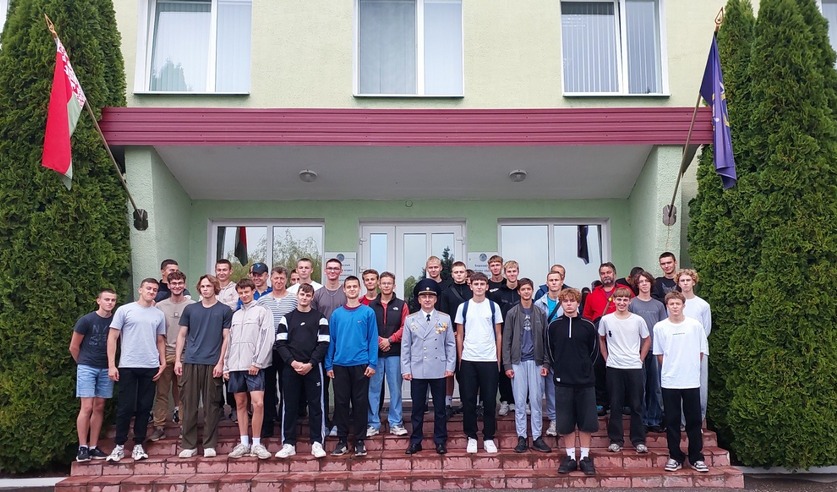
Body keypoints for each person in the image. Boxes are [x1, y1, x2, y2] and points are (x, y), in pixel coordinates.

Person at [105, 279, 167, 462]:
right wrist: (111, 365)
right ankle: (119, 446)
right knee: (125, 407)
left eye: (155, 289)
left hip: (150, 366)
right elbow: (112, 337)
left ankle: (139, 445)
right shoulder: (125, 310)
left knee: (144, 407)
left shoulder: (158, 314)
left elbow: (160, 340)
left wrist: (163, 362)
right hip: (128, 365)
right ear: (140, 290)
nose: (151, 292)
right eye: (148, 288)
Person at [175, 274, 232, 458]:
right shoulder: (190, 309)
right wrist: (178, 360)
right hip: (191, 361)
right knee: (189, 404)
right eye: (203, 286)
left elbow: (226, 338)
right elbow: (181, 335)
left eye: (209, 286)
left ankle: (209, 444)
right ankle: (189, 445)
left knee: (211, 405)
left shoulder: (224, 310)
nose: (205, 289)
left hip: (213, 363)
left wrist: (221, 362)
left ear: (215, 287)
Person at [653, 291, 709, 473]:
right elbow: (659, 354)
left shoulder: (695, 326)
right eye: (671, 304)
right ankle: (675, 456)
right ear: (667, 306)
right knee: (672, 421)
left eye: (678, 303)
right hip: (670, 381)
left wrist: (690, 368)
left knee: (694, 421)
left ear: (683, 305)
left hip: (691, 381)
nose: (675, 307)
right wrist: (671, 369)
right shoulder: (660, 327)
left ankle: (696, 457)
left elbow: (701, 352)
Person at [274, 283, 330, 459]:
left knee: (316, 406)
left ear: (312, 298)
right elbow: (280, 344)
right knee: (289, 406)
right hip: (291, 368)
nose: (304, 298)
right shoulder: (287, 318)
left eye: (308, 295)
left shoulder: (320, 318)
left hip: (313, 368)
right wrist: (293, 362)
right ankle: (288, 444)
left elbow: (323, 344)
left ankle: (317, 442)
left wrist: (310, 364)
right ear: (297, 295)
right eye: (302, 294)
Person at [546, 288, 598, 476]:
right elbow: (550, 351)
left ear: (578, 303)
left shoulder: (588, 325)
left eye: (572, 301)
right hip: (563, 382)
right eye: (565, 301)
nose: (569, 304)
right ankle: (569, 457)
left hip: (585, 382)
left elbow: (594, 352)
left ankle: (584, 457)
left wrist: (585, 369)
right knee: (566, 421)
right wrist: (559, 370)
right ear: (561, 303)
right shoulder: (553, 326)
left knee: (586, 421)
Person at [325, 276, 378, 457]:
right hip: (340, 364)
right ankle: (342, 440)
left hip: (361, 364)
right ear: (344, 290)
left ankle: (360, 441)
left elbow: (372, 339)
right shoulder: (336, 314)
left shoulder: (368, 312)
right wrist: (329, 364)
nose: (352, 289)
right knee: (341, 403)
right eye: (349, 287)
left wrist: (372, 362)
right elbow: (332, 340)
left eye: (355, 286)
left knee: (360, 403)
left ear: (359, 288)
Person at [401, 279, 456, 455]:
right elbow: (405, 346)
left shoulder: (444, 318)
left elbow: (450, 344)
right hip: (418, 369)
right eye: (423, 296)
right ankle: (415, 441)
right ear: (418, 299)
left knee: (440, 409)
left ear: (435, 299)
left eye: (430, 296)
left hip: (439, 368)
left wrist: (450, 366)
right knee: (417, 409)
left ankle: (440, 440)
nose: (427, 299)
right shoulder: (410, 320)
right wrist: (406, 369)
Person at [225, 279, 275, 460]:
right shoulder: (236, 315)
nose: (244, 295)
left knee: (258, 403)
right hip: (235, 366)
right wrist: (226, 365)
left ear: (253, 291)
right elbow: (229, 341)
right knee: (240, 404)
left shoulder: (262, 311)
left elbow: (267, 337)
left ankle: (257, 443)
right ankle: (244, 442)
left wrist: (257, 362)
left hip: (254, 366)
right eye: (241, 292)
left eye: (247, 291)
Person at [598, 287, 651, 454]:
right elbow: (601, 339)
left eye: (625, 300)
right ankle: (616, 440)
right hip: (614, 367)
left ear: (629, 301)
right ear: (614, 300)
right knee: (615, 405)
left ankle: (638, 440)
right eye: (619, 299)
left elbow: (647, 340)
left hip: (634, 367)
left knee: (636, 405)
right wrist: (606, 357)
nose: (621, 303)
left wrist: (640, 359)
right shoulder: (606, 320)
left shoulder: (638, 320)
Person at [455, 272, 503, 454]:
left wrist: (498, 358)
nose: (479, 287)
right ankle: (472, 436)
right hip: (469, 360)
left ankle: (489, 437)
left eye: (482, 284)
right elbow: (459, 335)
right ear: (471, 286)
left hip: (489, 360)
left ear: (487, 286)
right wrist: (461, 358)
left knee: (489, 401)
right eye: (476, 284)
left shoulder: (493, 306)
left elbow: (498, 334)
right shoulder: (463, 307)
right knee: (468, 400)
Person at [501, 278, 551, 454]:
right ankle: (522, 437)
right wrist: (507, 364)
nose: (526, 292)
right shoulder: (512, 313)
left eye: (529, 289)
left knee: (536, 400)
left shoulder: (540, 313)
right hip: (518, 362)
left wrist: (546, 363)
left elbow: (546, 340)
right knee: (520, 401)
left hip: (536, 362)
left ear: (532, 290)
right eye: (523, 289)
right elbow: (506, 340)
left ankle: (537, 437)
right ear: (519, 292)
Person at [70, 289, 117, 462]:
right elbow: (74, 346)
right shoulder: (86, 320)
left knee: (99, 406)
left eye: (113, 300)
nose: (110, 303)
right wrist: (82, 363)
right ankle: (82, 447)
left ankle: (93, 446)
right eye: (106, 299)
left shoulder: (115, 321)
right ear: (98, 301)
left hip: (106, 368)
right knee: (87, 407)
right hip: (87, 367)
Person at [149, 271, 194, 442]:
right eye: (173, 283)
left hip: (185, 356)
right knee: (161, 393)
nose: (177, 286)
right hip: (164, 355)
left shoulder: (192, 305)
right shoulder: (160, 306)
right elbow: (156, 333)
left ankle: (184, 426)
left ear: (184, 284)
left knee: (184, 393)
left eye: (180, 283)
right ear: (168, 285)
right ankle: (159, 426)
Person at [582, 262, 629, 415]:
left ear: (614, 273)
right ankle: (601, 403)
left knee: (621, 369)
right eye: (603, 273)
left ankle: (622, 402)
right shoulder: (593, 295)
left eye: (608, 272)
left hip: (621, 336)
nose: (606, 275)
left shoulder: (625, 291)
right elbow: (587, 317)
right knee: (599, 368)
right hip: (599, 336)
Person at [256, 266, 298, 438]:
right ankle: (268, 422)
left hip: (288, 350)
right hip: (268, 350)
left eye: (281, 278)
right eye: (276, 278)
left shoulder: (294, 299)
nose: (279, 281)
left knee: (287, 386)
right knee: (268, 387)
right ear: (270, 279)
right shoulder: (262, 301)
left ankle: (285, 421)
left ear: (286, 280)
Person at [367, 272, 409, 437]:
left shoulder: (402, 305)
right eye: (383, 283)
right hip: (375, 354)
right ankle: (373, 423)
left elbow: (405, 326)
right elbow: (368, 328)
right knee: (373, 389)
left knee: (396, 390)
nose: (386, 286)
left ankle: (395, 423)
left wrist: (390, 340)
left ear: (394, 285)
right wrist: (380, 341)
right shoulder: (371, 306)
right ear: (379, 285)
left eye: (389, 283)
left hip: (395, 353)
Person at [312, 258, 348, 437]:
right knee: (322, 388)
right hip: (322, 345)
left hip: (343, 345)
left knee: (341, 390)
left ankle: (339, 423)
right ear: (325, 271)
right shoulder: (318, 294)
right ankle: (324, 423)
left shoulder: (346, 292)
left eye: (336, 268)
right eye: (330, 268)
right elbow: (312, 319)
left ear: (341, 271)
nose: (333, 271)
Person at [628, 271, 667, 433]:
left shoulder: (659, 305)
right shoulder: (632, 304)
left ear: (651, 283)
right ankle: (641, 420)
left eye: (646, 281)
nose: (644, 284)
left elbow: (664, 328)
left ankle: (655, 420)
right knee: (640, 387)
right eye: (641, 282)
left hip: (656, 350)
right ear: (637, 285)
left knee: (656, 387)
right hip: (637, 350)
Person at [676, 269, 712, 423]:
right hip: (679, 351)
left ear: (694, 282)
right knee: (679, 385)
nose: (685, 283)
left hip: (698, 350)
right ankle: (682, 421)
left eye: (688, 280)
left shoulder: (703, 305)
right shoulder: (674, 304)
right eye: (682, 280)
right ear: (678, 283)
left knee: (700, 386)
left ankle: (698, 420)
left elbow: (706, 330)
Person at [534, 269, 565, 436]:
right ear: (547, 283)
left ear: (562, 282)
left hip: (563, 348)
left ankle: (564, 418)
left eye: (556, 280)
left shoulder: (568, 301)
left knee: (562, 386)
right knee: (546, 386)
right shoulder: (539, 303)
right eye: (551, 280)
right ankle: (552, 419)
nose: (554, 283)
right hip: (544, 348)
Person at [439, 261, 471, 416]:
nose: (459, 275)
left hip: (471, 337)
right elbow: (443, 315)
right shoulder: (446, 292)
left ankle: (470, 403)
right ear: (452, 274)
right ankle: (448, 403)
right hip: (452, 337)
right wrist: (451, 332)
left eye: (461, 272)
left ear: (466, 273)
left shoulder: (472, 291)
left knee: (468, 372)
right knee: (450, 370)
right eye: (456, 272)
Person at [490, 260, 521, 416]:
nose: (512, 274)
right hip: (503, 334)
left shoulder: (522, 290)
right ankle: (505, 401)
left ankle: (520, 401)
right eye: (509, 271)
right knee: (503, 369)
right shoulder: (497, 294)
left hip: (521, 335)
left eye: (514, 271)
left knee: (519, 368)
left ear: (518, 272)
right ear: (505, 273)